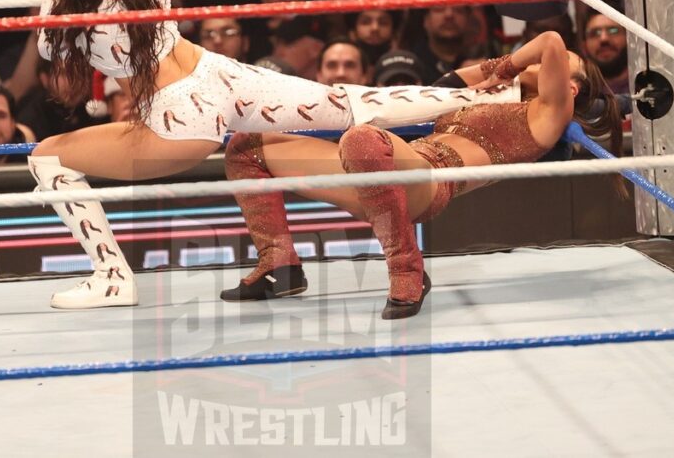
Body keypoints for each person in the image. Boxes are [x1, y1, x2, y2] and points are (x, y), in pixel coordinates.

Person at [16, 0, 524, 310]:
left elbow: (47, 49)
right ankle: (502, 92)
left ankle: (110, 277)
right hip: (219, 76)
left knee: (46, 157)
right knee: (353, 102)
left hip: (179, 117)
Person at [220, 31, 622, 319]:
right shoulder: (486, 92)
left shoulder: (546, 116)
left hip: (427, 182)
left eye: (560, 62)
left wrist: (510, 63)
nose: (539, 62)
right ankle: (280, 264)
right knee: (247, 145)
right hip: (380, 174)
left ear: (570, 86)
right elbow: (443, 85)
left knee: (362, 141)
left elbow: (550, 39)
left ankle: (406, 269)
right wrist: (497, 75)